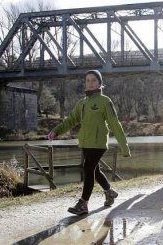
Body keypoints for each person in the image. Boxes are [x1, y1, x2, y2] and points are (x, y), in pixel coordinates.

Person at [48, 70, 130, 215]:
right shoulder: (82, 103)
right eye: (88, 80)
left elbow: (115, 124)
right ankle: (109, 192)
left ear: (100, 83)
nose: (90, 83)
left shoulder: (105, 101)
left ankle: (83, 203)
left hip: (98, 143)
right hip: (85, 142)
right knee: (95, 170)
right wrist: (56, 131)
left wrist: (124, 147)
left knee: (88, 168)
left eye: (94, 80)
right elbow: (71, 120)